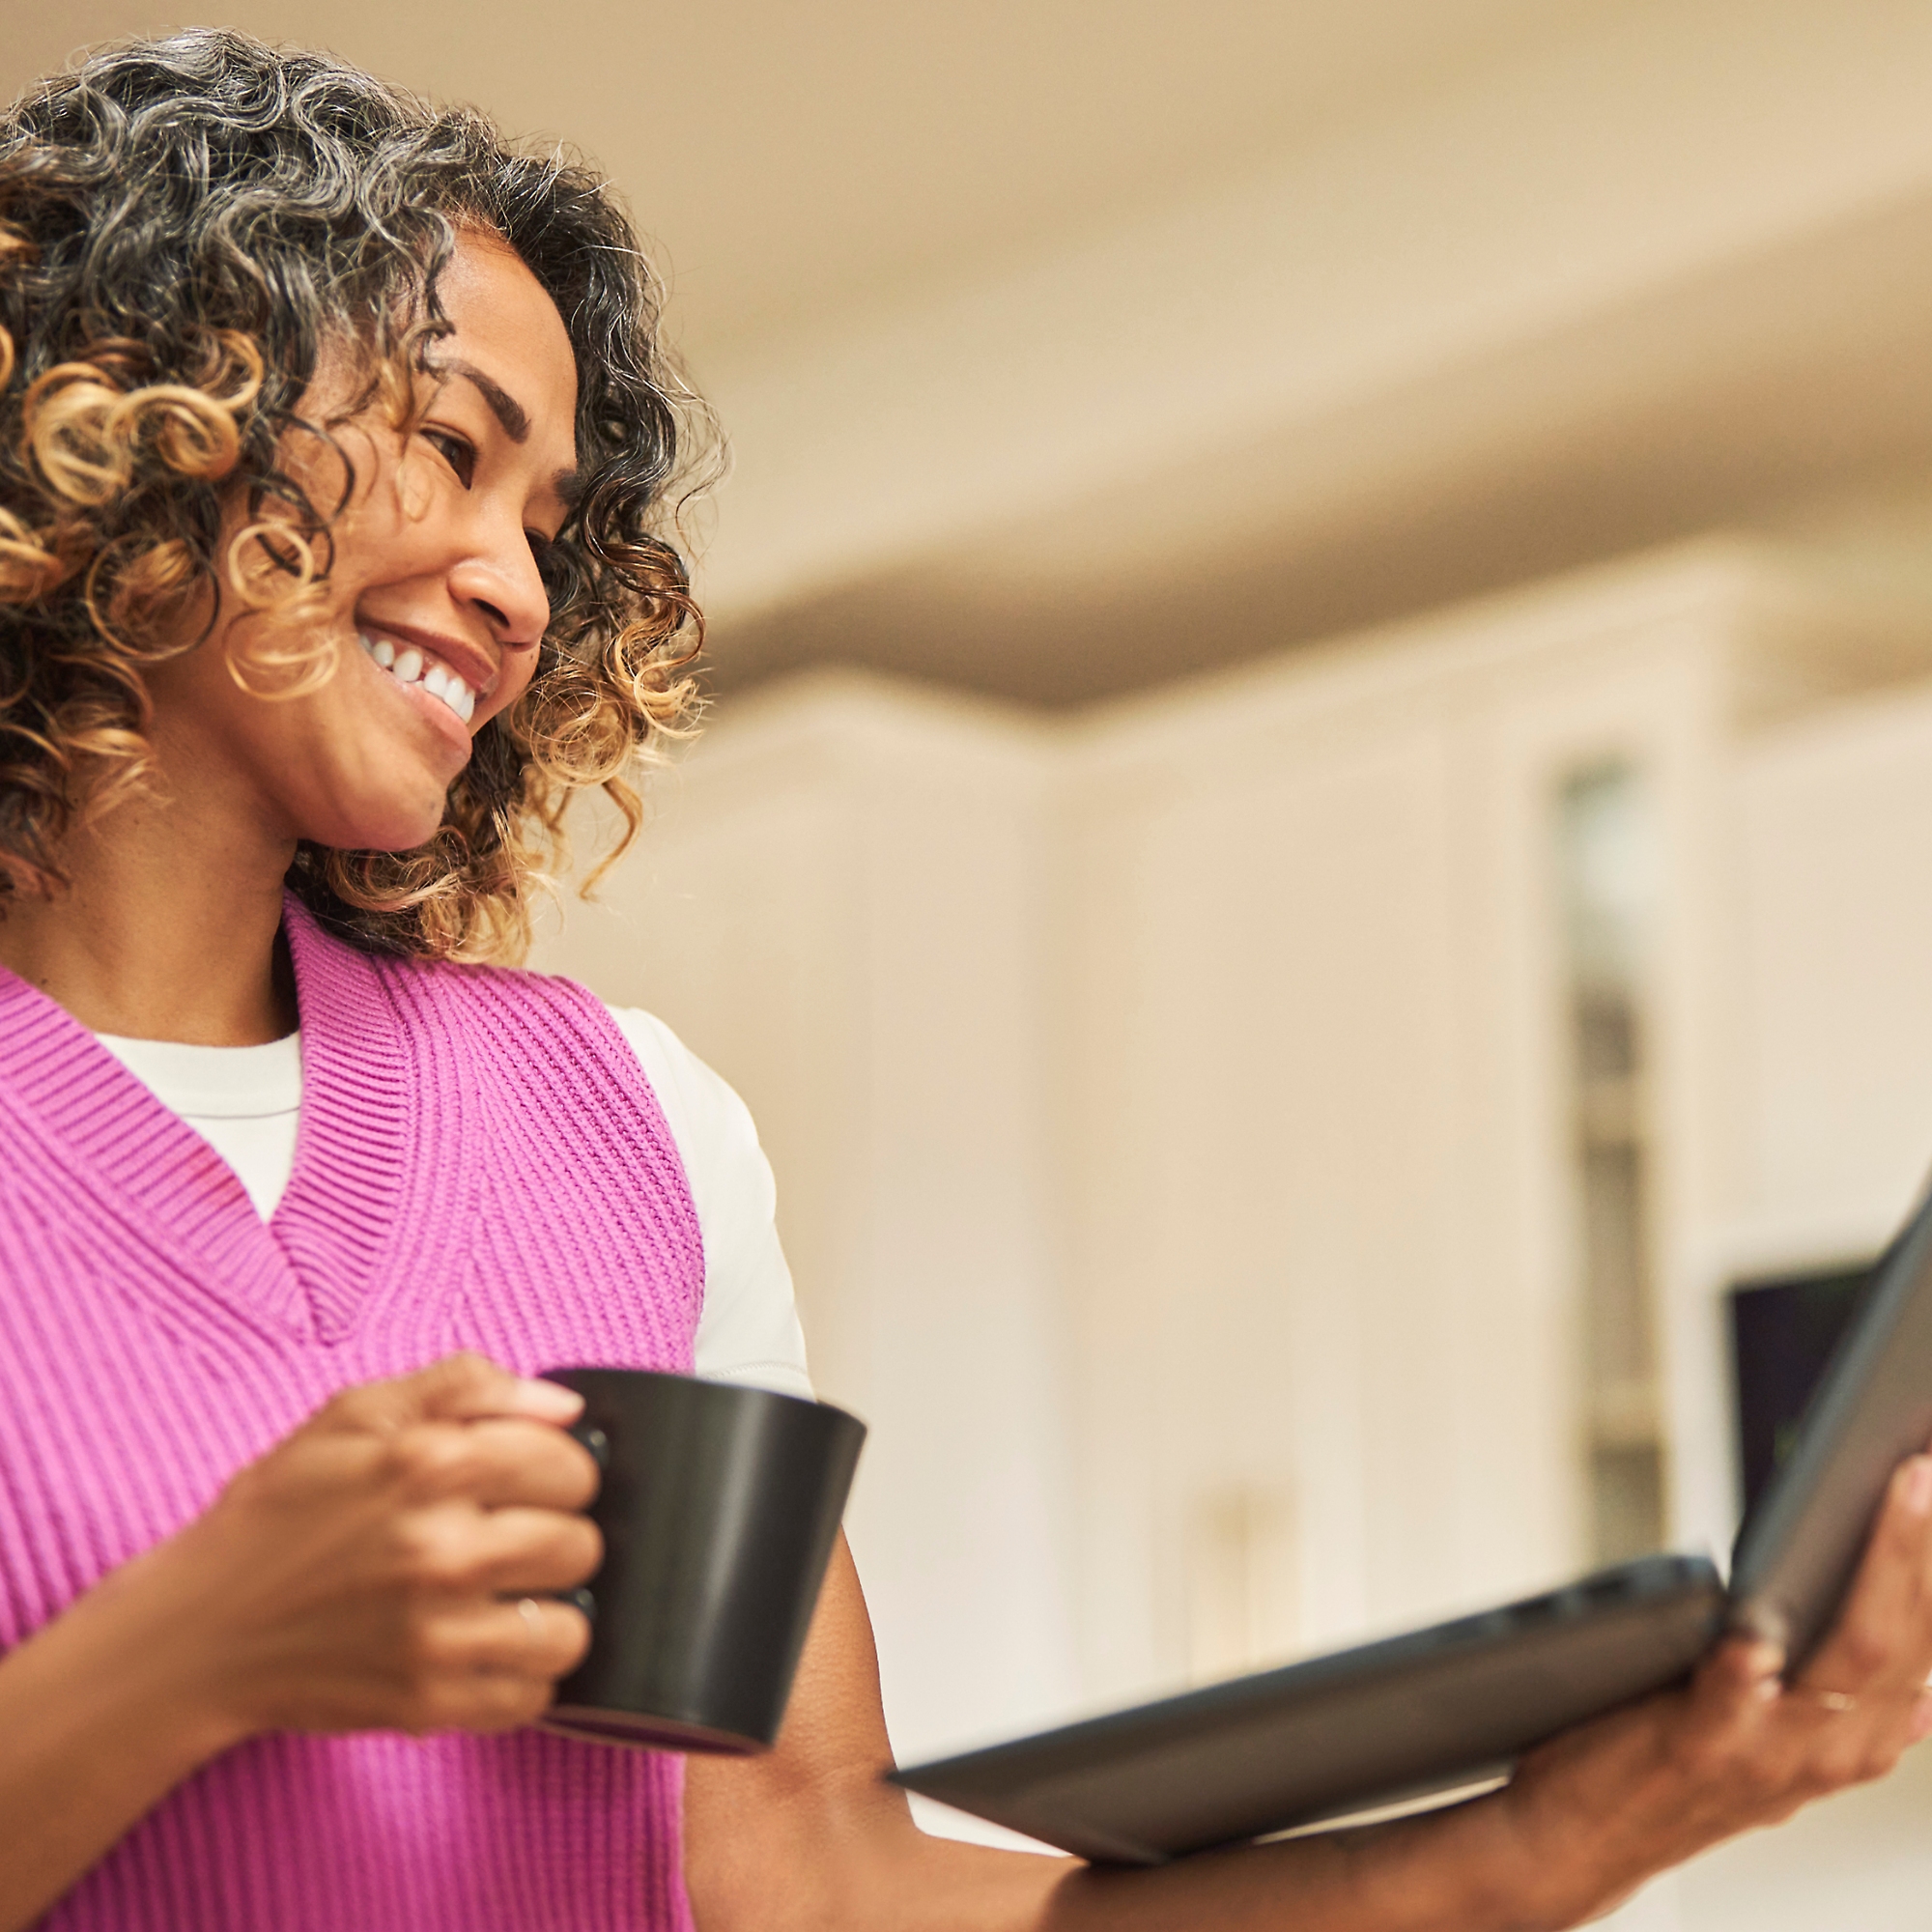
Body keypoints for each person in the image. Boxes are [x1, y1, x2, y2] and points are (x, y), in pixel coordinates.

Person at [2, 29, 1930, 1932]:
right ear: (149, 415)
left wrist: (1564, 1837)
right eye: (450, 449)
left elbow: (821, 1888)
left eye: (550, 526)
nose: (515, 586)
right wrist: (199, 1639)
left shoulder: (632, 1134)